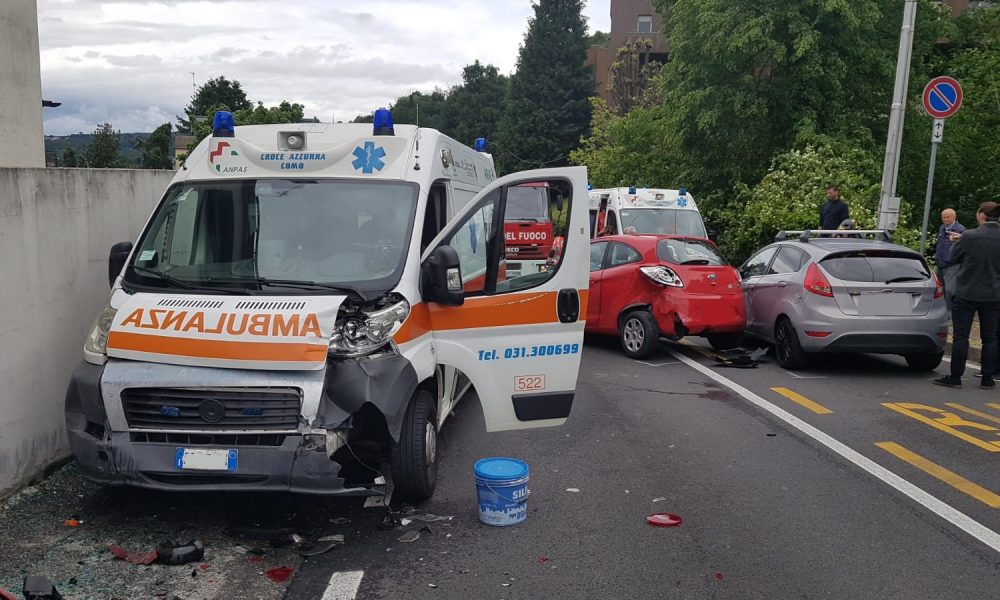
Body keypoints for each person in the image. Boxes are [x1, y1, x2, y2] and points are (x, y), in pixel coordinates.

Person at [933, 202, 1000, 389]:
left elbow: (953, 257)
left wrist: (958, 241)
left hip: (967, 291)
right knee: (990, 337)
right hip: (993, 294)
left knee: (961, 336)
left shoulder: (970, 236)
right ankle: (987, 378)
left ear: (981, 216)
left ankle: (956, 377)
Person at [935, 208, 966, 311]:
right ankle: (940, 309)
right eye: (943, 217)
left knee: (949, 290)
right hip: (940, 263)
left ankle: (949, 311)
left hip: (952, 264)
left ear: (954, 217)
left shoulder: (960, 229)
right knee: (939, 288)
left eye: (948, 217)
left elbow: (964, 248)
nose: (945, 219)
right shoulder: (942, 228)